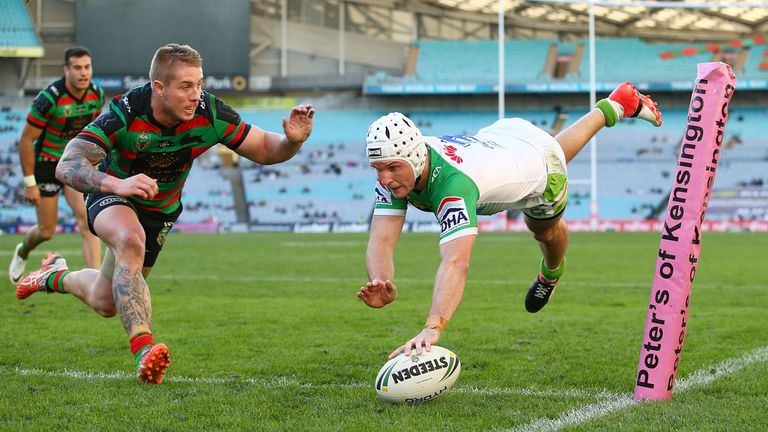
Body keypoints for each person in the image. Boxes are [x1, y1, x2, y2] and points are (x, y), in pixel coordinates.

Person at [16, 44, 315, 384]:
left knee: (105, 301)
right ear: (159, 88)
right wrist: (116, 184)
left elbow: (263, 148)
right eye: (186, 86)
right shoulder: (125, 113)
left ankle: (52, 275)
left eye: (199, 84)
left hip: (161, 212)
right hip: (113, 197)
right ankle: (145, 350)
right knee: (131, 241)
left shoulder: (210, 112)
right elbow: (67, 165)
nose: (195, 95)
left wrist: (292, 142)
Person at [357, 82, 662, 359]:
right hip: (502, 135)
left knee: (544, 231)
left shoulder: (453, 186)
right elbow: (382, 239)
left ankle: (552, 273)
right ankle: (614, 105)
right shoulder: (403, 164)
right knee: (551, 152)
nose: (384, 178)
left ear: (415, 157)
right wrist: (381, 281)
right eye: (378, 168)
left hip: (539, 171)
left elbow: (456, 262)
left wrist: (433, 327)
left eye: (392, 168)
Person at [8, 46, 105, 284]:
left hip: (74, 162)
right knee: (46, 231)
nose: (83, 73)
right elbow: (26, 140)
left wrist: (94, 161)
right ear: (66, 70)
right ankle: (23, 250)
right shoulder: (49, 98)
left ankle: (97, 281)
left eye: (87, 67)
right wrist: (30, 183)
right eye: (77, 68)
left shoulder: (97, 95)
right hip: (47, 164)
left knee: (87, 221)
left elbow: (93, 133)